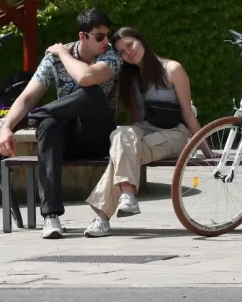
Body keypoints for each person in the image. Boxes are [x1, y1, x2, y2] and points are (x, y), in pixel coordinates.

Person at [0, 8, 121, 239]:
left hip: (98, 137)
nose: (106, 41)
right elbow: (27, 97)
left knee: (92, 95)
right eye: (99, 37)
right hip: (66, 140)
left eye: (108, 35)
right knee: (49, 125)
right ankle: (51, 217)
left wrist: (63, 53)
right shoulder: (52, 59)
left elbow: (85, 78)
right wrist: (7, 129)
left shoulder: (111, 57)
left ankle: (17, 122)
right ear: (83, 36)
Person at [83, 26, 203, 238]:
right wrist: (126, 142)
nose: (128, 52)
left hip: (174, 133)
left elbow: (187, 113)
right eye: (121, 51)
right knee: (121, 136)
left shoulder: (172, 69)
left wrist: (207, 149)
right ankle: (127, 195)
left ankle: (101, 218)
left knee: (123, 154)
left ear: (142, 40)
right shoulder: (131, 79)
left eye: (130, 45)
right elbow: (135, 120)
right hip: (146, 130)